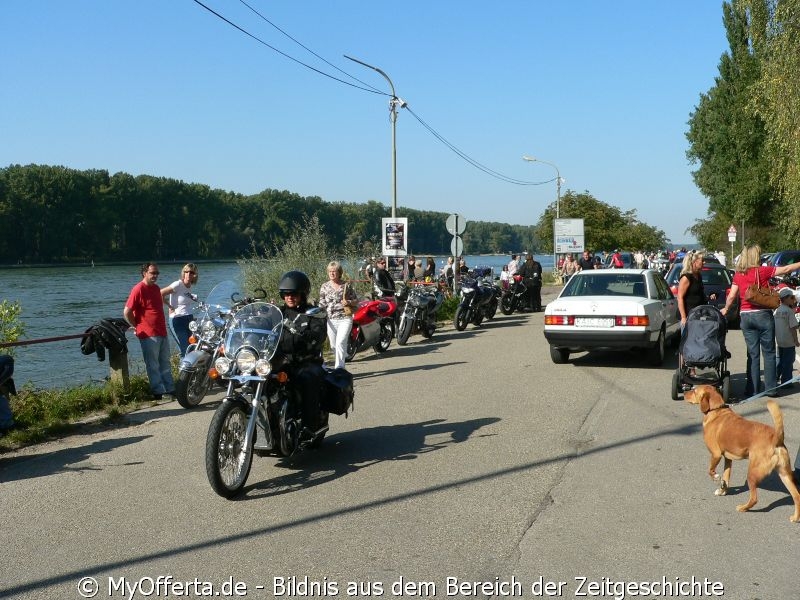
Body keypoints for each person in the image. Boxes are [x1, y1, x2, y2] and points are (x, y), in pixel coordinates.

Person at [721, 244, 800, 397]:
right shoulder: (762, 271)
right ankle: (771, 389)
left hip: (745, 317)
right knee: (769, 353)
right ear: (756, 256)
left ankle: (752, 389)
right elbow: (785, 270)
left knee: (752, 354)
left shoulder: (739, 274)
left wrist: (726, 308)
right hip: (763, 315)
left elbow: (732, 295)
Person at [278, 270, 328, 437]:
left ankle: (310, 425)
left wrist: (307, 336)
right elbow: (261, 325)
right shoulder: (278, 313)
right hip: (280, 360)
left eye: (294, 293)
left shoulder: (314, 313)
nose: (290, 297)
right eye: (286, 294)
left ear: (302, 294)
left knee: (307, 379)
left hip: (305, 361)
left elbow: (319, 335)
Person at [123, 262, 174, 399]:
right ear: (144, 273)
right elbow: (127, 311)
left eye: (157, 273)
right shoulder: (138, 289)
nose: (155, 275)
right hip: (148, 333)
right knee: (153, 364)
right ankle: (158, 391)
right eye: (153, 273)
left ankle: (169, 388)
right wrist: (137, 326)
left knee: (165, 361)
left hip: (161, 331)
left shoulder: (156, 288)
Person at [318, 261, 358, 370]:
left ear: (339, 272)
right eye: (330, 271)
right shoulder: (324, 286)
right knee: (333, 345)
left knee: (340, 342)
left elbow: (356, 300)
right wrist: (317, 311)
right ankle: (341, 360)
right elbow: (321, 303)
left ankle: (339, 369)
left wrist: (349, 302)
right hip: (330, 319)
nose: (331, 273)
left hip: (345, 318)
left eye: (334, 271)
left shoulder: (346, 285)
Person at [160, 263, 198, 357]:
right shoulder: (177, 284)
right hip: (177, 319)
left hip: (189, 319)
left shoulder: (189, 286)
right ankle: (183, 370)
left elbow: (183, 298)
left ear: (195, 275)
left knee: (193, 347)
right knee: (185, 349)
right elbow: (160, 293)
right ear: (183, 273)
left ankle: (192, 370)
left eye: (191, 272)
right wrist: (169, 306)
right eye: (186, 272)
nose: (189, 274)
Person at [677, 250, 716, 330]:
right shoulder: (686, 278)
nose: (704, 262)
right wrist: (684, 317)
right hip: (689, 316)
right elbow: (680, 297)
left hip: (698, 315)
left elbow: (698, 295)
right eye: (702, 260)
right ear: (694, 262)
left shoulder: (698, 276)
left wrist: (709, 297)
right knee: (688, 341)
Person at [774, 287, 799, 387]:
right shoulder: (789, 311)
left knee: (779, 359)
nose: (793, 300)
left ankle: (775, 377)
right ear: (786, 298)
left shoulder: (777, 310)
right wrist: (796, 340)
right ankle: (786, 382)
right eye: (792, 297)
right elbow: (793, 328)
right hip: (789, 341)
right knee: (788, 362)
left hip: (779, 340)